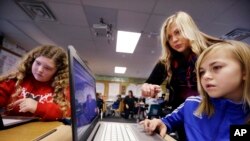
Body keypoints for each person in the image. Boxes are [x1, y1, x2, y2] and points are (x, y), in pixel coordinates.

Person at [140, 40, 250, 140]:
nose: (206, 76)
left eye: (216, 67)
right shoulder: (192, 104)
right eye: (202, 72)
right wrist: (159, 123)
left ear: (244, 70)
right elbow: (166, 122)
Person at [141, 11, 222, 110]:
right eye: (169, 37)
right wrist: (147, 88)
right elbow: (150, 82)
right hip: (181, 113)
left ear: (189, 30)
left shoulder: (213, 51)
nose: (174, 40)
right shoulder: (167, 60)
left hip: (211, 111)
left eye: (178, 32)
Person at [0, 45, 70, 121]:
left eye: (47, 68)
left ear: (57, 71)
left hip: (44, 131)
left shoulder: (63, 87)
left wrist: (38, 107)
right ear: (32, 60)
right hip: (13, 129)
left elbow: (67, 113)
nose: (40, 70)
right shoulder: (15, 79)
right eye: (38, 63)